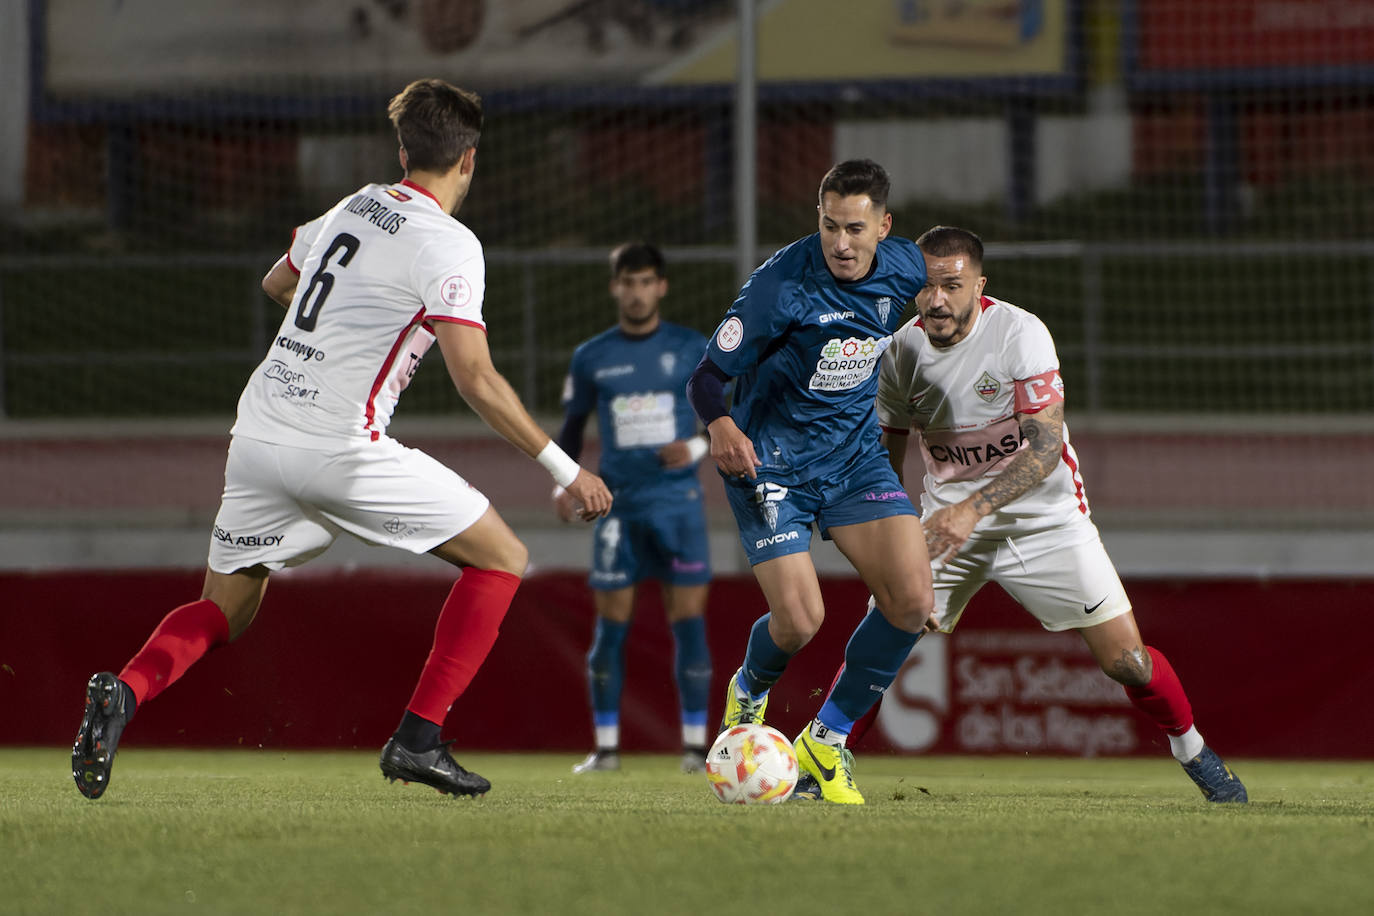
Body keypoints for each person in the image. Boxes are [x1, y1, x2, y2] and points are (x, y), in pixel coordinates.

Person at [70, 78, 612, 801]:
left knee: (226, 609)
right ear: (469, 161)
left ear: (401, 151)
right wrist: (565, 469)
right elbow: (476, 378)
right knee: (502, 558)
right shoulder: (450, 244)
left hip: (259, 433)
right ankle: (418, 737)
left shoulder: (356, 204)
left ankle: (125, 693)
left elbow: (275, 282)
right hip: (338, 445)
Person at [855, 224, 1246, 802]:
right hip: (946, 525)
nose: (937, 299)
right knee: (881, 640)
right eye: (926, 286)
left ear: (978, 286)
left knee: (1129, 663)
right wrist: (893, 536)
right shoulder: (899, 352)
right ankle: (820, 761)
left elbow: (1042, 452)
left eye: (952, 286)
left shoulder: (1019, 332)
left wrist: (974, 508)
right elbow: (883, 458)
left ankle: (1192, 748)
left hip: (1045, 519)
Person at [685, 159, 935, 805]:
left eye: (855, 228)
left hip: (853, 460)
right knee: (799, 621)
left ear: (884, 226)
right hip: (770, 464)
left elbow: (950, 284)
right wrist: (719, 425)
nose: (841, 243)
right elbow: (705, 379)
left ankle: (826, 741)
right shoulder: (780, 286)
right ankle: (749, 689)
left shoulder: (906, 267)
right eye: (829, 226)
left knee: (911, 602)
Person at [553, 242, 714, 775]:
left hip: (679, 505)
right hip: (617, 508)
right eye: (629, 282)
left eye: (647, 282)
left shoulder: (693, 348)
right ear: (615, 287)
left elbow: (730, 422)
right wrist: (564, 482)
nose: (638, 292)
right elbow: (572, 431)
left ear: (661, 287)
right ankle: (606, 750)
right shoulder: (592, 356)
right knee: (610, 630)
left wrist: (692, 449)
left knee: (688, 625)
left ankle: (695, 750)